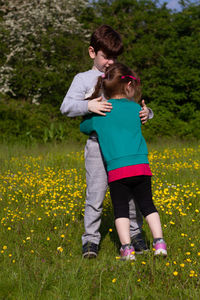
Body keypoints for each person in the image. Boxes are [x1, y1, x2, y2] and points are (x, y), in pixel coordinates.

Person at [60, 25, 153, 258]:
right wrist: (87, 105)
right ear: (93, 52)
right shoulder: (83, 79)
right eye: (106, 56)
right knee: (96, 193)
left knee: (130, 193)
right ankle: (91, 240)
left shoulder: (120, 76)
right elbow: (65, 107)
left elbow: (134, 104)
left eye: (114, 57)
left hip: (123, 149)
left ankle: (135, 234)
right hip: (96, 145)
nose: (110, 61)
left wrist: (146, 113)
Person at [80, 62, 167, 260]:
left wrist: (92, 107)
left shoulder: (103, 112)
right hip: (142, 168)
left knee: (120, 211)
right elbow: (142, 118)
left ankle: (127, 249)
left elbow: (84, 127)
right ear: (129, 87)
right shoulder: (136, 109)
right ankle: (159, 243)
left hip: (118, 171)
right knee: (148, 206)